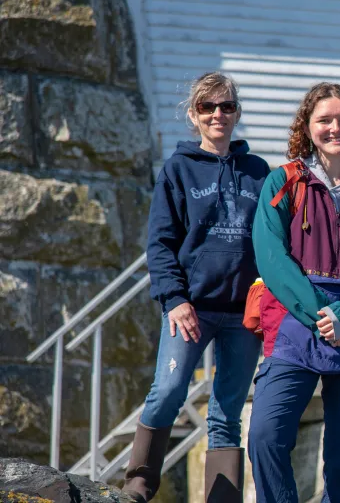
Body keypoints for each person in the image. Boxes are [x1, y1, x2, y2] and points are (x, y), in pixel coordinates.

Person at [246, 82, 340, 503]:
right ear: (308, 126)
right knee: (264, 436)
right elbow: (272, 259)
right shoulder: (284, 182)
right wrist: (323, 315)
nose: (336, 128)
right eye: (325, 120)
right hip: (295, 328)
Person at [125, 72, 269, 503]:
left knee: (227, 412)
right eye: (207, 107)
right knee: (167, 391)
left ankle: (221, 499)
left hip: (244, 312)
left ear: (237, 113)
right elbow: (160, 243)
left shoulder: (258, 172)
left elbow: (272, 241)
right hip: (190, 308)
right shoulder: (177, 169)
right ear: (194, 115)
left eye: (226, 106)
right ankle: (139, 482)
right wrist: (174, 299)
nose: (218, 114)